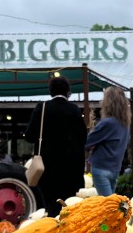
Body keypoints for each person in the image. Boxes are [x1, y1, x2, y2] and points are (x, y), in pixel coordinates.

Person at [24, 75, 87, 216]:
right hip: (71, 169)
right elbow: (83, 138)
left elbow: (29, 136)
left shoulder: (42, 108)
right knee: (69, 207)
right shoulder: (74, 110)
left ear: (50, 92)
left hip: (47, 169)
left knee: (50, 208)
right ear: (68, 92)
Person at [85, 86, 131, 196]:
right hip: (115, 168)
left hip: (101, 167)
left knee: (107, 204)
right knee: (110, 202)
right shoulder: (125, 125)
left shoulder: (107, 123)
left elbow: (87, 143)